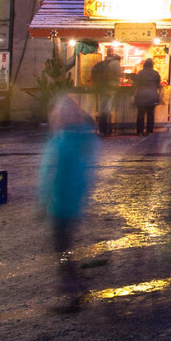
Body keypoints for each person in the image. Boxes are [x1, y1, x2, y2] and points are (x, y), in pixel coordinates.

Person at [40, 96, 98, 312]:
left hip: (62, 203)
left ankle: (75, 290)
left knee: (63, 249)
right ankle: (75, 288)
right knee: (63, 248)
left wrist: (43, 199)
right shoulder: (80, 138)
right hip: (70, 202)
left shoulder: (63, 141)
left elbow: (51, 172)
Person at [91, 49, 121, 137]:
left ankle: (101, 130)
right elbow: (119, 75)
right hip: (110, 88)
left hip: (101, 88)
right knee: (108, 110)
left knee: (102, 110)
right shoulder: (115, 63)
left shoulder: (102, 64)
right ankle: (108, 129)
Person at [132, 58, 163, 136]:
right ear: (152, 65)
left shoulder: (140, 73)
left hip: (141, 95)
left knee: (140, 114)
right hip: (152, 96)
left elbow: (136, 83)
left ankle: (140, 132)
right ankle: (149, 131)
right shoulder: (156, 73)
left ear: (144, 65)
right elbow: (158, 84)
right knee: (150, 114)